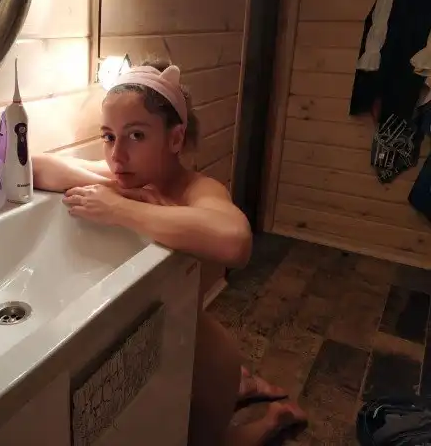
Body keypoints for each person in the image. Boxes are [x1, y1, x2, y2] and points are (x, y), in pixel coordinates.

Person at [32, 60, 307, 445]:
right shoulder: (128, 175)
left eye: (136, 135)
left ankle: (271, 420)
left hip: (206, 362)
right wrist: (117, 189)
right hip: (163, 349)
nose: (117, 156)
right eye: (108, 137)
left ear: (175, 139)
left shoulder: (197, 189)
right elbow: (38, 168)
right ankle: (246, 387)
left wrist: (120, 208)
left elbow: (235, 241)